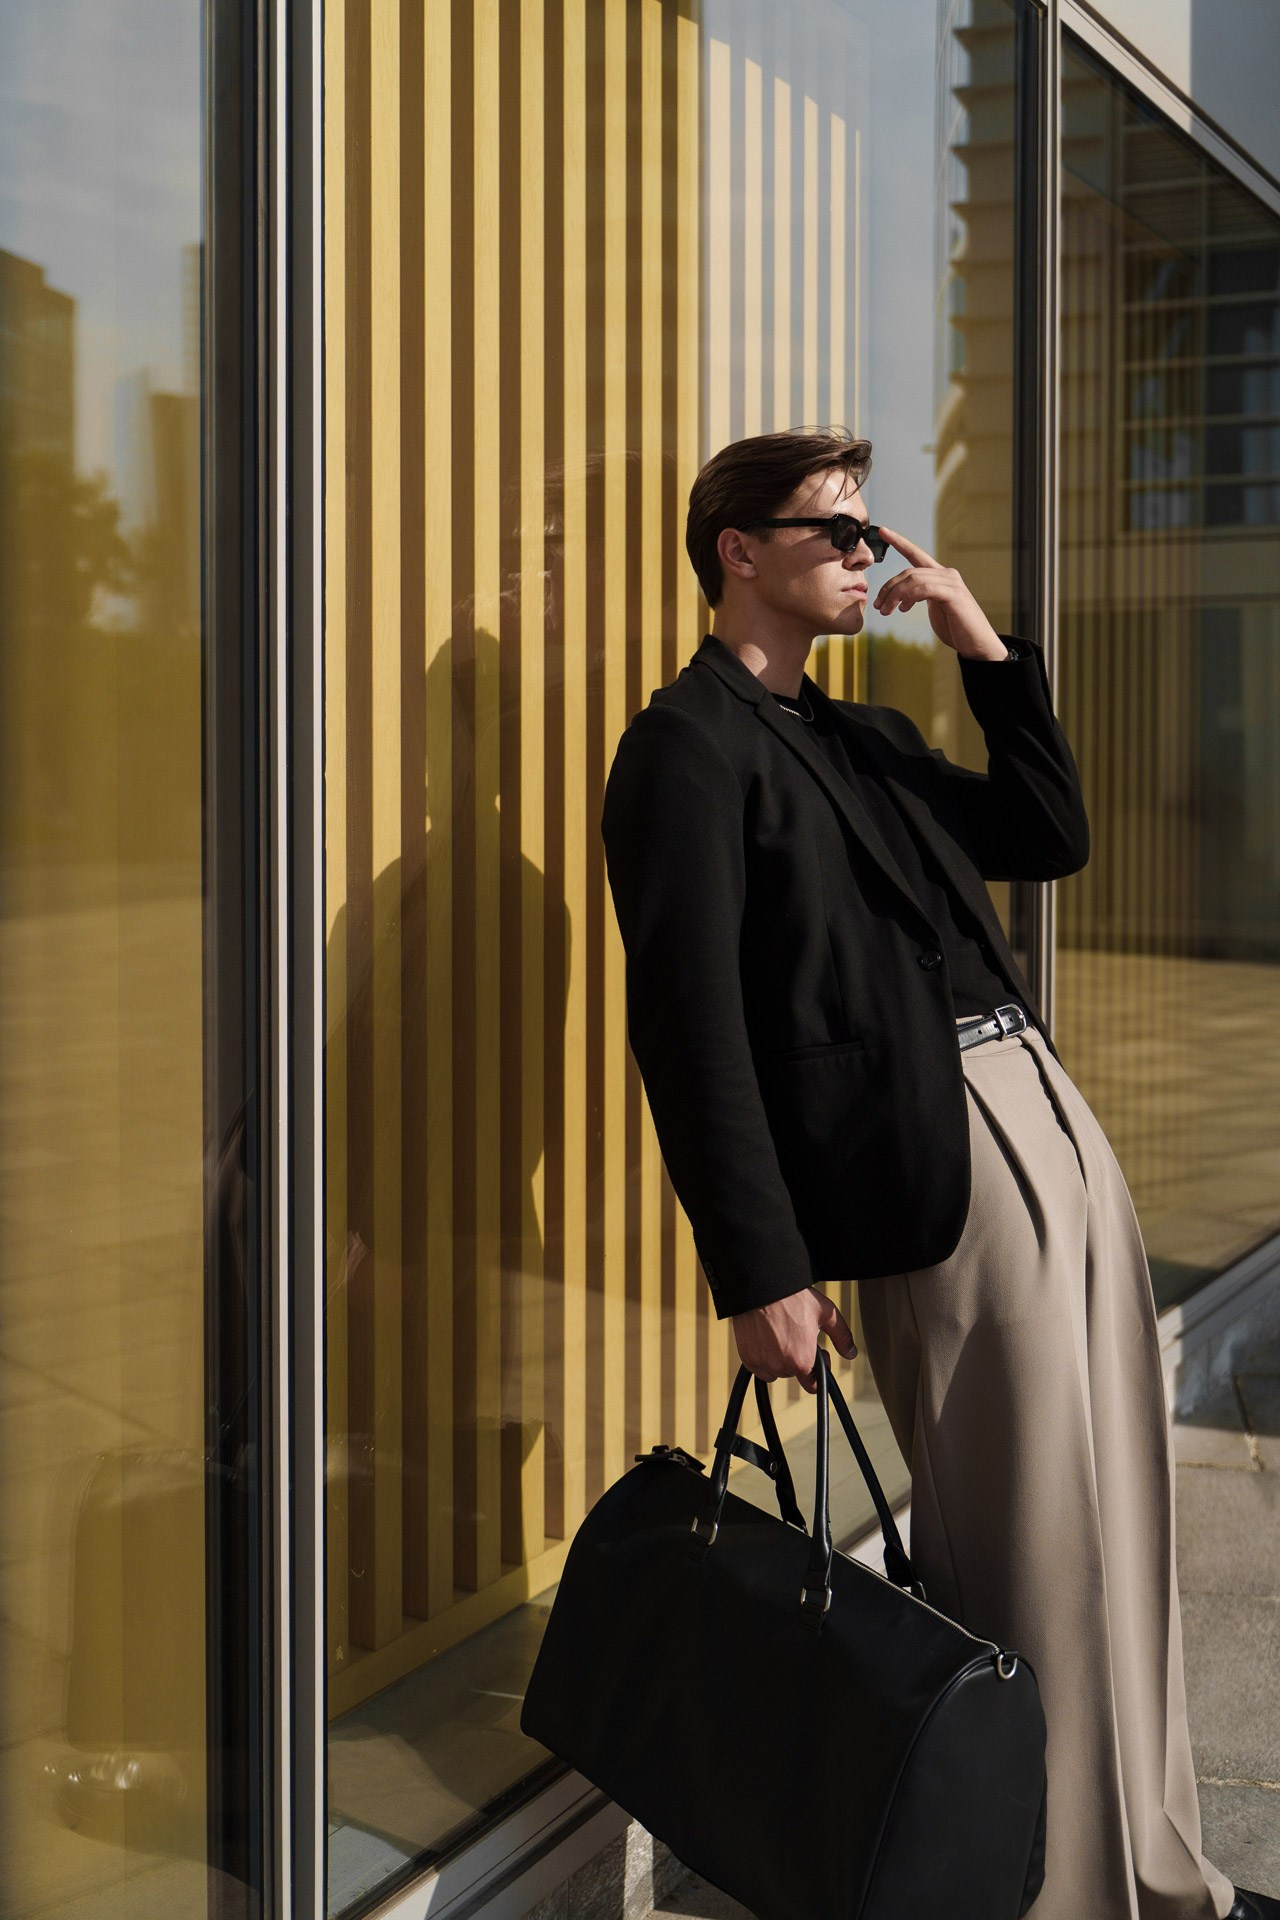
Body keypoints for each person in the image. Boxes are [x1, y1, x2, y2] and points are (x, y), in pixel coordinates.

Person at [600, 427, 1275, 1920]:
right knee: (1029, 1536)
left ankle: (1156, 1861)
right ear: (739, 552)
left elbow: (1051, 835)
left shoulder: (870, 737)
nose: (870, 556)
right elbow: (691, 1031)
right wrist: (760, 1270)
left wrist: (985, 650)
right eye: (842, 533)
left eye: (870, 531)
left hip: (1047, 1122)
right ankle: (1052, 1889)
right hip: (931, 1167)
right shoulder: (685, 750)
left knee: (1124, 1512)